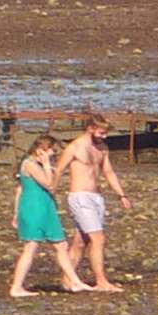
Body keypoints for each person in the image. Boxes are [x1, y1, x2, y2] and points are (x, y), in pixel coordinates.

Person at [55, 115, 131, 292]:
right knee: (98, 239)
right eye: (101, 132)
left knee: (81, 241)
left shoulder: (102, 148)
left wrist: (121, 195)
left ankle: (68, 279)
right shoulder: (74, 147)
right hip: (80, 196)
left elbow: (109, 172)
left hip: (96, 197)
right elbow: (59, 170)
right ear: (90, 128)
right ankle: (101, 281)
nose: (104, 136)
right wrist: (51, 191)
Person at [8, 135, 90, 297]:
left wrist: (16, 214)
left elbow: (19, 190)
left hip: (45, 208)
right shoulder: (29, 164)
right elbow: (49, 184)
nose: (53, 154)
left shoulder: (33, 164)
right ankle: (16, 287)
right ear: (41, 150)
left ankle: (74, 281)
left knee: (61, 245)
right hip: (34, 208)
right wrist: (47, 165)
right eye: (52, 150)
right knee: (31, 246)